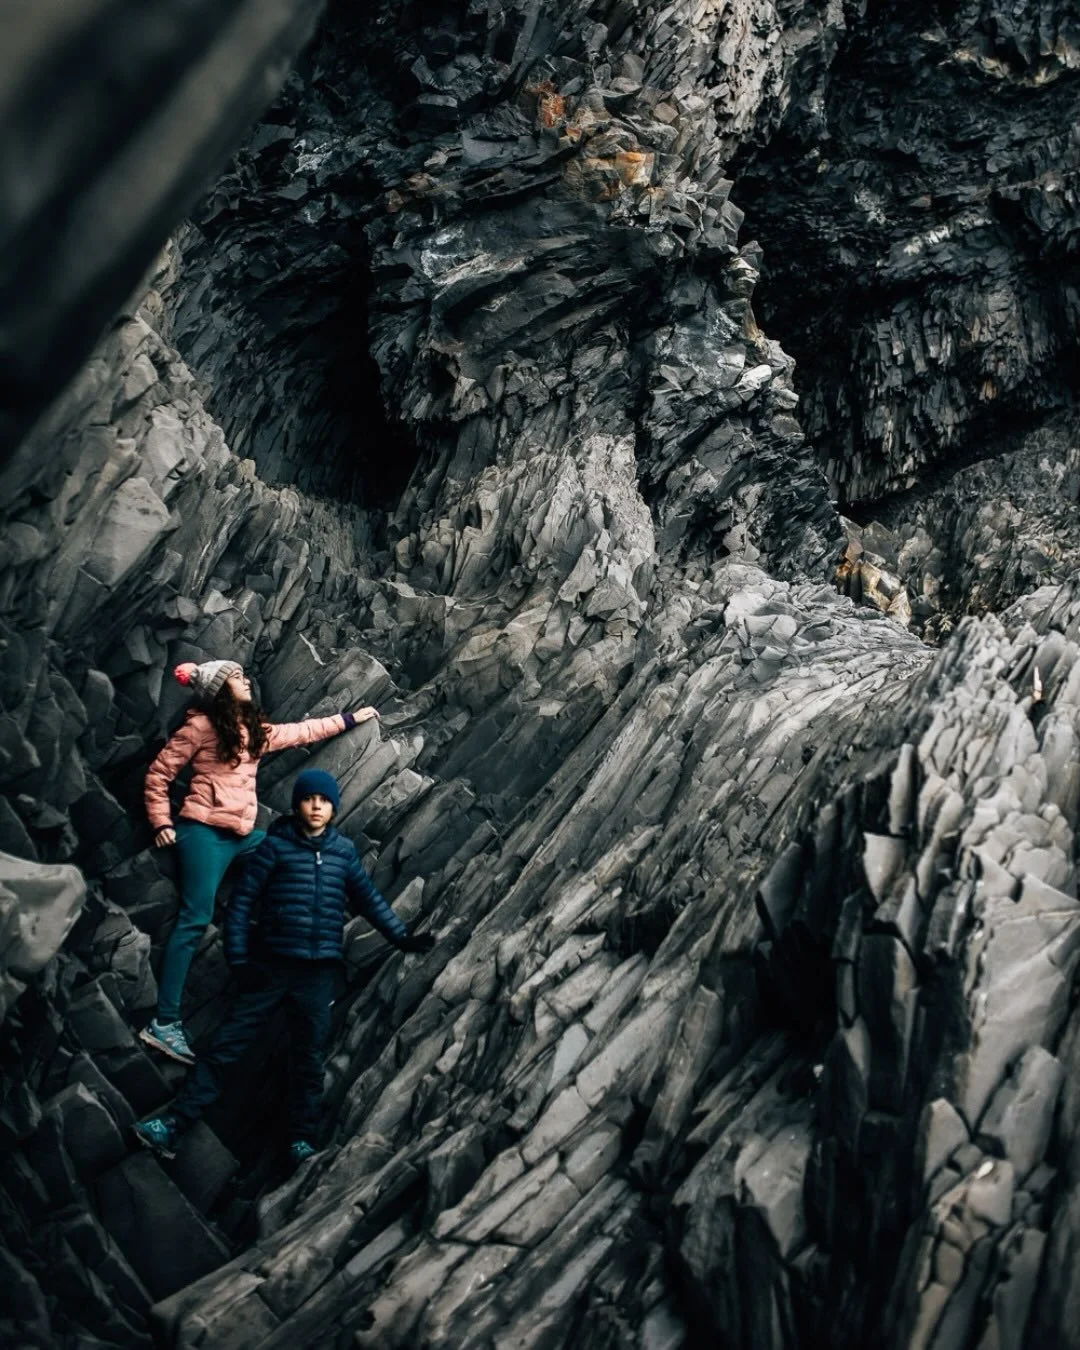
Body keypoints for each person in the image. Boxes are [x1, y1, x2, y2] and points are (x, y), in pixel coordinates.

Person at [133, 768, 434, 1167]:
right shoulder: (274, 848)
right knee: (225, 1050)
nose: (316, 807)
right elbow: (241, 906)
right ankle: (172, 1123)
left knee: (308, 1061)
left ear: (333, 808)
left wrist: (402, 937)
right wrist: (240, 962)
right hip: (270, 968)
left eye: (324, 801)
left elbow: (370, 900)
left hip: (317, 976)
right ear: (297, 804)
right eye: (310, 799)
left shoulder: (343, 853)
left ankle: (300, 1143)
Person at [141, 658, 380, 1066]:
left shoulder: (253, 731)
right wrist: (161, 820)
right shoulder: (200, 727)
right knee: (194, 919)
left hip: (240, 836)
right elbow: (159, 774)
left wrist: (350, 718)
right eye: (236, 678)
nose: (246, 680)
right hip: (203, 833)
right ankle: (164, 1023)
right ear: (220, 690)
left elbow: (301, 731)